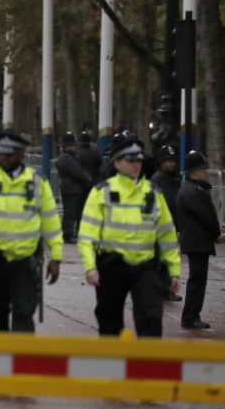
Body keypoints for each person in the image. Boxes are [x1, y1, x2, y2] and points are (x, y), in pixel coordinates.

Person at [78, 132, 180, 338]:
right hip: (111, 264)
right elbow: (87, 234)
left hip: (146, 265)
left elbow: (167, 234)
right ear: (117, 163)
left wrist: (174, 270)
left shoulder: (153, 193)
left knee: (151, 318)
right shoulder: (102, 192)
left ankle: (146, 367)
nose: (136, 165)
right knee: (109, 321)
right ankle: (111, 366)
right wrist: (90, 267)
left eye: (139, 160)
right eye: (130, 160)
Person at [0, 130, 63, 332]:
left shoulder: (37, 182)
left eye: (9, 153)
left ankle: (21, 362)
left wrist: (56, 257)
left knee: (24, 316)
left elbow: (51, 223)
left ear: (21, 154)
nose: (3, 157)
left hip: (25, 262)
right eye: (1, 153)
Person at [175, 151, 224, 330]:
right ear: (194, 171)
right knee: (197, 280)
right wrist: (216, 233)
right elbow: (207, 216)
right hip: (198, 242)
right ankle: (190, 316)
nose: (205, 171)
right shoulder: (194, 192)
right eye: (202, 168)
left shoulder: (188, 189)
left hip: (195, 241)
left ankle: (191, 315)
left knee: (197, 279)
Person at [150, 145, 183, 303]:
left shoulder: (174, 178)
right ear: (161, 162)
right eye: (168, 161)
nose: (171, 164)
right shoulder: (158, 179)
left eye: (173, 161)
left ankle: (164, 288)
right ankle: (163, 288)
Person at [55, 133, 92, 244]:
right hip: (71, 190)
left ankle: (68, 233)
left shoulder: (68, 158)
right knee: (70, 213)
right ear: (66, 146)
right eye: (71, 145)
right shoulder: (67, 159)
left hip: (70, 190)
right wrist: (87, 178)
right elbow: (78, 172)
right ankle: (67, 234)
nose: (73, 148)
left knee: (70, 212)